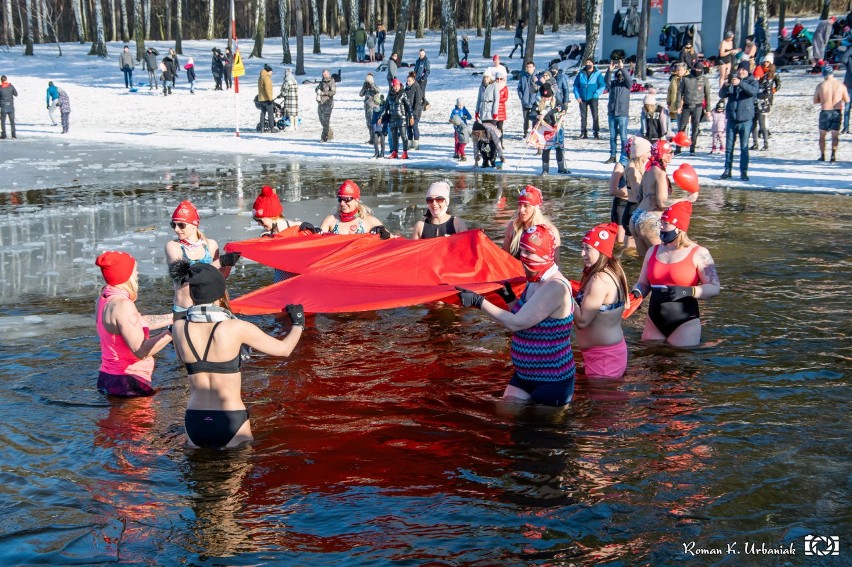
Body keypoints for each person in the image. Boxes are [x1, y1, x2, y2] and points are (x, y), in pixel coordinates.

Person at [171, 262, 304, 449]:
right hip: (230, 417)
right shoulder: (235, 327)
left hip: (194, 419)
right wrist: (298, 323)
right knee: (236, 474)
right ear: (220, 292)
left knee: (199, 476)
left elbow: (181, 358)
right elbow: (284, 349)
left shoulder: (179, 327)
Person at [457, 224, 576, 407]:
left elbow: (516, 323)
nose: (523, 257)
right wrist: (509, 298)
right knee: (505, 415)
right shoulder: (534, 279)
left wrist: (478, 302)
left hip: (553, 379)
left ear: (545, 254)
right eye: (522, 251)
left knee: (544, 432)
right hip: (524, 375)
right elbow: (525, 316)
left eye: (529, 252)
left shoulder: (556, 286)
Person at [629, 201, 720, 347]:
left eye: (666, 223)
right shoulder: (653, 251)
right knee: (647, 362)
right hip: (654, 319)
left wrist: (687, 290)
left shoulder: (699, 253)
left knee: (677, 363)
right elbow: (643, 283)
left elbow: (715, 288)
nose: (661, 227)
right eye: (661, 223)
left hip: (684, 321)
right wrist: (637, 293)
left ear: (679, 227)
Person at [95, 251, 173, 397]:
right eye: (134, 270)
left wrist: (174, 317)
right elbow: (141, 351)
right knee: (139, 421)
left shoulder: (104, 299)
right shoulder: (123, 305)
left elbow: (135, 323)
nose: (137, 274)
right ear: (125, 275)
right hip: (128, 382)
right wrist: (172, 331)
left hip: (108, 377)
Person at [165, 200, 239, 317]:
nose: (176, 229)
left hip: (211, 308)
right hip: (184, 310)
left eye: (181, 225)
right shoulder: (173, 246)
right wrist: (220, 262)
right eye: (173, 225)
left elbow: (218, 279)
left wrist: (229, 263)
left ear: (194, 225)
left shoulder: (211, 245)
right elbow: (184, 277)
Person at [573, 223, 629, 378]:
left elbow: (583, 322)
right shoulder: (615, 269)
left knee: (602, 402)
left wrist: (564, 295)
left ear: (601, 250)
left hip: (604, 359)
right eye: (582, 247)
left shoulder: (599, 279)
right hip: (610, 352)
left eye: (588, 248)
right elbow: (627, 304)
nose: (582, 253)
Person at [630, 139, 698, 257]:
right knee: (664, 258)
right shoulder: (660, 173)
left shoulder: (648, 170)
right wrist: (687, 199)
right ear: (662, 155)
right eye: (669, 152)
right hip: (649, 219)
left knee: (644, 263)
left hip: (636, 217)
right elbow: (662, 202)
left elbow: (639, 196)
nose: (672, 154)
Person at [719, 61, 759, 180]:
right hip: (732, 118)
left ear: (747, 71)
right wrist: (726, 85)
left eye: (743, 70)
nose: (741, 71)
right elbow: (721, 95)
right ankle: (727, 170)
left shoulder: (753, 82)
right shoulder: (733, 81)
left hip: (745, 120)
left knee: (744, 148)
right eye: (739, 69)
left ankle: (743, 172)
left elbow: (753, 92)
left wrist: (740, 83)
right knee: (729, 148)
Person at [502, 185, 561, 262]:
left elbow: (556, 263)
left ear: (535, 208)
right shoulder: (513, 227)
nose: (521, 210)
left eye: (526, 206)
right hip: (516, 272)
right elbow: (503, 257)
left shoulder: (550, 231)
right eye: (520, 205)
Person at [319, 180, 388, 236]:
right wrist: (311, 231)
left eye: (347, 199)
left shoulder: (370, 221)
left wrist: (384, 233)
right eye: (340, 199)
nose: (342, 203)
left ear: (356, 200)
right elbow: (318, 242)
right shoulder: (331, 220)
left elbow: (393, 241)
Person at [813, 66, 850, 162]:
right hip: (836, 111)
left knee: (822, 135)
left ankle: (822, 155)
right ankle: (833, 155)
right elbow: (847, 100)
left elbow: (815, 100)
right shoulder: (841, 86)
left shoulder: (821, 86)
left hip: (825, 111)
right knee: (835, 135)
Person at [622, 136, 652, 251]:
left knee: (634, 251)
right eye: (648, 152)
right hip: (633, 210)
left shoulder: (634, 167)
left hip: (632, 209)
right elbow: (637, 193)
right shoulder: (633, 170)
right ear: (640, 153)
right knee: (630, 252)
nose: (650, 155)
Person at [675, 61, 711, 155]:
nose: (697, 71)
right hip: (686, 106)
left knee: (695, 127)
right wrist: (678, 105)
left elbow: (707, 95)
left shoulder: (704, 80)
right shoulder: (686, 79)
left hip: (698, 106)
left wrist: (708, 109)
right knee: (682, 127)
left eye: (699, 69)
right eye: (695, 69)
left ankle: (693, 148)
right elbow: (679, 92)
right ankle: (678, 147)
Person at [532, 83, 568, 175]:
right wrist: (537, 116)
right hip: (545, 129)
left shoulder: (555, 101)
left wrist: (563, 110)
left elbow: (562, 106)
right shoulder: (537, 102)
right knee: (546, 149)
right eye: (545, 97)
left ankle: (561, 168)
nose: (547, 99)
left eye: (549, 97)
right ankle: (545, 169)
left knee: (559, 148)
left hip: (556, 128)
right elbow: (531, 114)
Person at [605, 59, 633, 163]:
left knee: (623, 136)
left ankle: (624, 155)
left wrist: (622, 67)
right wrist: (609, 70)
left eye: (622, 74)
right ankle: (613, 155)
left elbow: (629, 80)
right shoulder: (613, 84)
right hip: (612, 113)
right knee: (612, 137)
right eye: (619, 74)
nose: (620, 76)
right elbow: (606, 81)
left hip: (622, 114)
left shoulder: (627, 85)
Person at [751, 57, 780, 151]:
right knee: (753, 124)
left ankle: (765, 143)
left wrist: (773, 91)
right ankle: (755, 143)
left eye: (768, 62)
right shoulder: (756, 80)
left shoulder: (771, 76)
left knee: (762, 124)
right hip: (755, 103)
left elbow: (776, 86)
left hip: (763, 103)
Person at [378, 78, 412, 159]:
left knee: (404, 136)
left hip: (402, 118)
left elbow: (408, 107)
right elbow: (386, 108)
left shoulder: (403, 94)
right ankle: (395, 152)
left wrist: (411, 117)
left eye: (397, 86)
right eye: (395, 86)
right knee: (394, 137)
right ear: (392, 87)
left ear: (399, 85)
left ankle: (405, 152)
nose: (396, 88)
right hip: (392, 119)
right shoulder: (389, 95)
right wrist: (380, 116)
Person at [573, 59, 606, 139]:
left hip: (593, 98)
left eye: (589, 63)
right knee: (583, 116)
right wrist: (577, 96)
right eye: (587, 62)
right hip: (582, 98)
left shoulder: (597, 73)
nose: (588, 64)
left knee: (595, 115)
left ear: (593, 64)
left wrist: (596, 94)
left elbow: (602, 85)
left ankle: (596, 132)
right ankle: (583, 132)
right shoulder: (581, 73)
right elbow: (575, 86)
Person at [518, 61, 540, 139]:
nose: (529, 68)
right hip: (525, 101)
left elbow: (540, 88)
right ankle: (525, 132)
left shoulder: (537, 76)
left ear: (534, 67)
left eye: (530, 67)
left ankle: (534, 132)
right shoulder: (523, 77)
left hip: (534, 101)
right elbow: (519, 88)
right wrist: (521, 97)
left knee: (534, 117)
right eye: (528, 67)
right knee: (525, 118)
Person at [359, 73, 381, 144]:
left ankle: (377, 139)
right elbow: (361, 94)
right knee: (369, 124)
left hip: (373, 108)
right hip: (367, 107)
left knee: (374, 124)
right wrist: (364, 87)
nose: (367, 82)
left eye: (368, 81)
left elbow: (378, 90)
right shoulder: (366, 87)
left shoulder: (374, 86)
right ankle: (371, 138)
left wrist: (372, 85)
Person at [405, 72, 424, 150]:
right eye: (407, 81)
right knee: (408, 128)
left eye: (409, 81)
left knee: (414, 127)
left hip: (415, 112)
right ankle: (409, 144)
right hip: (408, 112)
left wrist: (414, 113)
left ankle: (416, 145)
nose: (408, 82)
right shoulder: (406, 88)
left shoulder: (417, 87)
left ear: (413, 81)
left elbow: (418, 101)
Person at [316, 69, 336, 142]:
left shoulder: (331, 82)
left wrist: (323, 93)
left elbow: (333, 92)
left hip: (328, 103)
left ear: (328, 74)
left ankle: (324, 137)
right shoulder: (322, 82)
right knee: (321, 120)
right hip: (321, 103)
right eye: (323, 74)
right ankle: (329, 133)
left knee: (326, 121)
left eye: (325, 74)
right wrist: (317, 90)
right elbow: (317, 89)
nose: (324, 75)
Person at [258, 64, 277, 133]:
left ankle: (262, 128)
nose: (272, 73)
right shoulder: (267, 78)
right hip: (267, 99)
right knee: (270, 114)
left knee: (262, 113)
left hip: (261, 99)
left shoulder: (261, 77)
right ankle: (272, 128)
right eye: (271, 71)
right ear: (268, 71)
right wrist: (271, 99)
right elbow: (268, 89)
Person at [667, 62, 687, 127]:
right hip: (674, 102)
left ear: (685, 70)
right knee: (678, 121)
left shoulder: (688, 79)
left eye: (681, 70)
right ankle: (679, 133)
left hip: (684, 103)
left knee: (685, 121)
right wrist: (668, 101)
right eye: (678, 70)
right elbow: (670, 90)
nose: (679, 72)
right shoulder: (674, 79)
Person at [0, 75, 17, 139]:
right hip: (10, 106)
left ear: (1, 80)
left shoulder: (0, 88)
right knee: (12, 121)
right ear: (6, 80)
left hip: (3, 106)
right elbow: (16, 94)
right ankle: (13, 135)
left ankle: (4, 134)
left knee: (3, 121)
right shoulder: (11, 87)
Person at [370, 93, 387, 158]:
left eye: (376, 103)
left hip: (382, 127)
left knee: (382, 141)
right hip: (375, 126)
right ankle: (376, 152)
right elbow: (373, 119)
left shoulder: (383, 110)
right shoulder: (374, 109)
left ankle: (382, 153)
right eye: (374, 103)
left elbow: (385, 118)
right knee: (375, 140)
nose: (375, 104)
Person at [494, 69, 509, 140]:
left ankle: (500, 142)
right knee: (493, 128)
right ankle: (493, 143)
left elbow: (505, 98)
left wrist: (497, 100)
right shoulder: (492, 86)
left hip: (501, 110)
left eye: (500, 79)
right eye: (497, 78)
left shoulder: (504, 87)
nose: (499, 80)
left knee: (500, 128)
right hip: (493, 110)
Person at [843, 56, 852, 134]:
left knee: (847, 108)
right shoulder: (849, 58)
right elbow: (842, 59)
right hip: (849, 86)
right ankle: (846, 128)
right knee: (847, 108)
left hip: (849, 86)